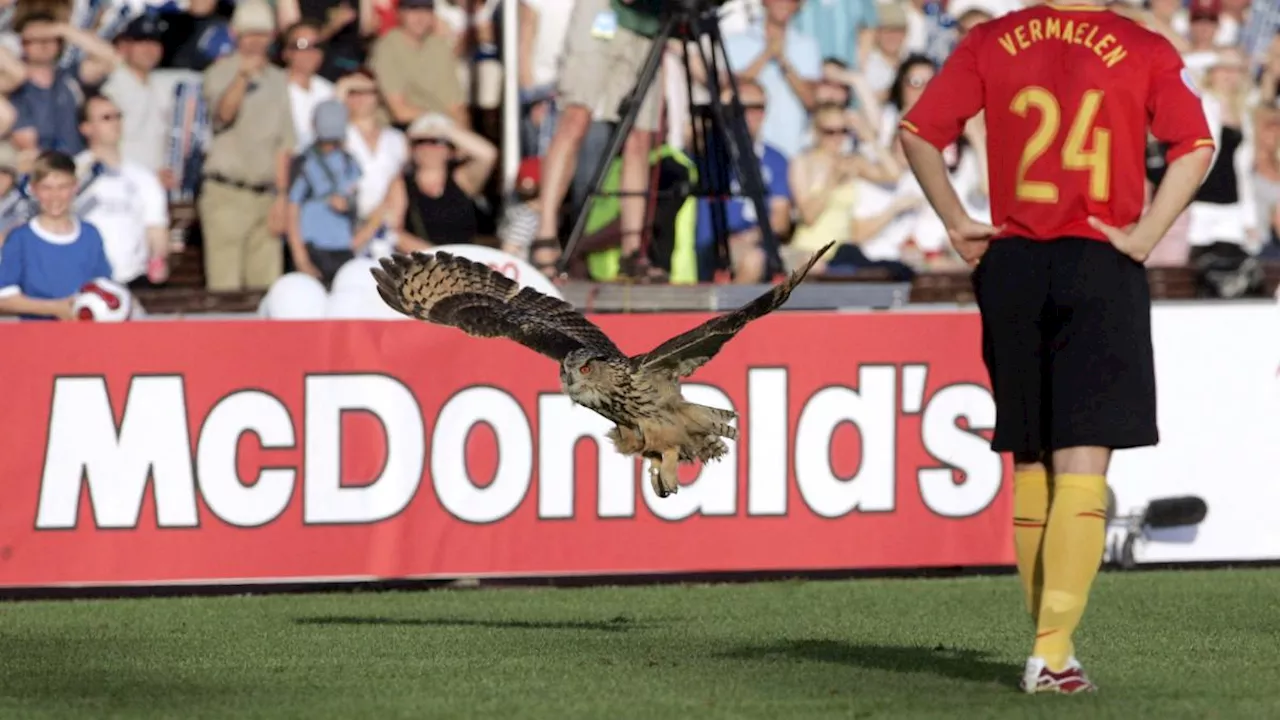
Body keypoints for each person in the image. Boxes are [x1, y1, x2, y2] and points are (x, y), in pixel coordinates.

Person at [898, 0, 1216, 694]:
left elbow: (918, 130)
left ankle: (1050, 649)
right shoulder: (1140, 44)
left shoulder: (991, 39)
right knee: (1083, 460)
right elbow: (1196, 146)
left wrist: (956, 220)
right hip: (1099, 255)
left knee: (1032, 458)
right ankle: (1052, 650)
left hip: (1012, 262)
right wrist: (1143, 236)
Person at [527, 0, 663, 281]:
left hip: (652, 17)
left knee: (639, 135)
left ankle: (632, 250)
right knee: (576, 115)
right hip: (603, 11)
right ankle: (546, 236)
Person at [0, 150, 113, 320]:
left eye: (63, 187)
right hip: (36, 339)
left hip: (84, 337)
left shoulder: (90, 235)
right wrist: (54, 308)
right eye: (47, 188)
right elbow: (5, 297)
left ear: (75, 187)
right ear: (34, 189)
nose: (55, 196)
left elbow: (103, 286)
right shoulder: (20, 239)